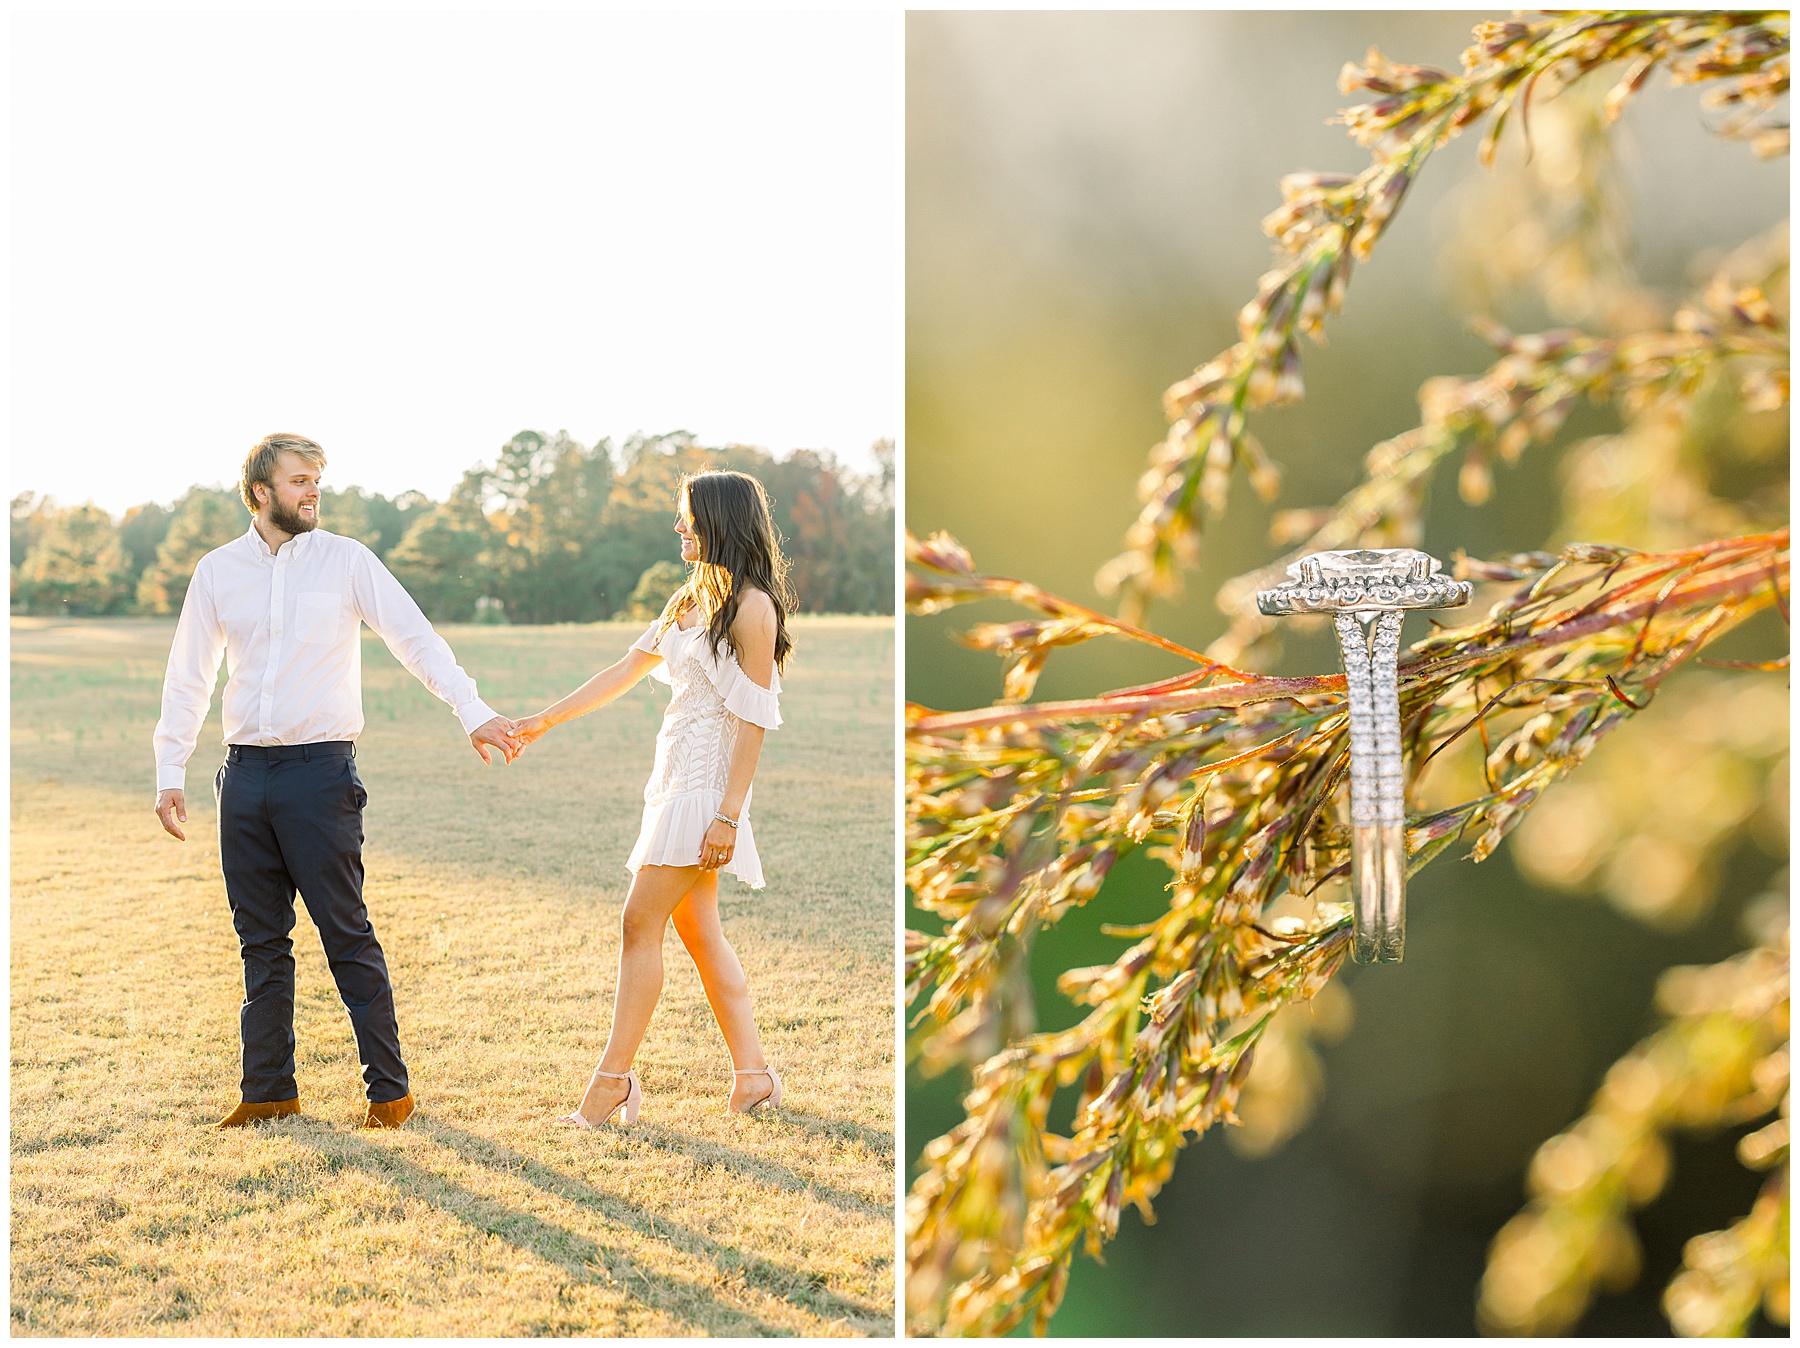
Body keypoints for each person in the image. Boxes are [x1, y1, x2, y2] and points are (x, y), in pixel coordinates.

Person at [152, 433, 522, 1129]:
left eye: (317, 480)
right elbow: (190, 675)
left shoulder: (347, 561)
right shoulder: (218, 571)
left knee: (345, 933)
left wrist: (471, 710)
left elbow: (415, 639)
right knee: (260, 941)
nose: (312, 491)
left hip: (320, 774)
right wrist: (171, 766)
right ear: (261, 491)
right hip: (243, 777)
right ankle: (268, 1093)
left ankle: (390, 1095)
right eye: (299, 481)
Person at [511, 469, 791, 1125]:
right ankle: (753, 1075)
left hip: (706, 794)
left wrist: (728, 815)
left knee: (639, 924)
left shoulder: (752, 609)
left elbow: (755, 721)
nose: (677, 527)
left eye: (686, 516)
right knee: (700, 935)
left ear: (717, 521)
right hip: (672, 783)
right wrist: (541, 721)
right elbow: (623, 671)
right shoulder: (688, 599)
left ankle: (611, 1084)